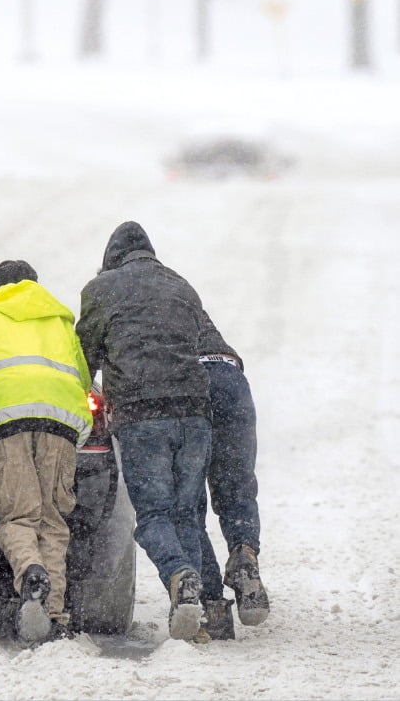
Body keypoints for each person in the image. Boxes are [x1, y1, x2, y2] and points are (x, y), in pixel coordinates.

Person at [75, 221, 212, 642]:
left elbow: (83, 358)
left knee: (152, 514)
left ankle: (180, 575)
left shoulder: (101, 290)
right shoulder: (181, 285)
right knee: (188, 513)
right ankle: (197, 611)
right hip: (194, 413)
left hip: (142, 415)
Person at [0, 260, 94, 646]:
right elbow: (83, 377)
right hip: (60, 424)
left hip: (3, 425)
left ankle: (30, 571)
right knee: (53, 521)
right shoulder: (58, 320)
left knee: (16, 517)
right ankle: (53, 616)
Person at [195, 310, 271, 639]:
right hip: (230, 376)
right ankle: (244, 556)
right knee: (236, 489)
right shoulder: (178, 289)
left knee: (188, 502)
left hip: (190, 385)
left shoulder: (123, 300)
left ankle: (213, 604)